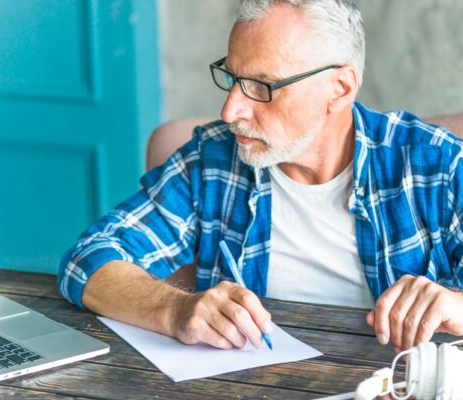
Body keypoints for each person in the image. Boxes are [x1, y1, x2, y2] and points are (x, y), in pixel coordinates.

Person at [57, 0, 463, 354]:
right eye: (233, 78)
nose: (231, 110)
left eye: (262, 86)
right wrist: (175, 308)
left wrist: (455, 306)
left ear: (339, 89)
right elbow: (88, 258)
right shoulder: (211, 160)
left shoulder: (436, 165)